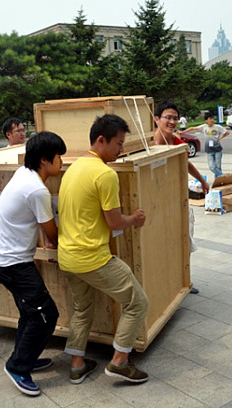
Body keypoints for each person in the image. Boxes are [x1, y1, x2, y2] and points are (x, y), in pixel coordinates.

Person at [58, 114, 149, 384]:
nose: (121, 150)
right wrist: (134, 219)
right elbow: (114, 222)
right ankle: (119, 362)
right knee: (137, 302)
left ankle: (77, 366)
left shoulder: (74, 167)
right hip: (92, 257)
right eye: (118, 143)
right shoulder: (105, 174)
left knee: (82, 309)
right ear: (101, 140)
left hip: (67, 257)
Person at [0, 131, 67, 396]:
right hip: (12, 264)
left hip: (4, 260)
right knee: (46, 315)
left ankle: (25, 358)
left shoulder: (24, 174)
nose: (62, 162)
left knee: (31, 313)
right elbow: (52, 234)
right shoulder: (36, 190)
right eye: (58, 157)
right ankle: (18, 367)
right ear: (44, 160)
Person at [153, 100, 209, 295]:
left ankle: (184, 280)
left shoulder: (176, 142)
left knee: (184, 239)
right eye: (167, 118)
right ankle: (164, 284)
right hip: (158, 203)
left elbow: (186, 163)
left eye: (175, 118)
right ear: (157, 119)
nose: (172, 122)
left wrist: (201, 180)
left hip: (178, 199)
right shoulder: (152, 144)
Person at [181, 111, 229, 178]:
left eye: (212, 118)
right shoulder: (204, 127)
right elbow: (192, 128)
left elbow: (226, 132)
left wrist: (220, 138)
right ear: (206, 120)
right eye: (210, 118)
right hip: (209, 151)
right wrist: (182, 132)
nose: (212, 120)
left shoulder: (218, 127)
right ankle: (223, 176)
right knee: (212, 167)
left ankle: (218, 181)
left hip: (218, 150)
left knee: (218, 167)